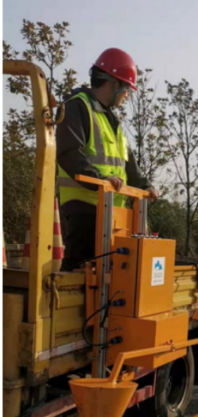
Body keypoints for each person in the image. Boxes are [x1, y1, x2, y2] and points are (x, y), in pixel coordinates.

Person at [57, 48, 158, 271]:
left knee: (106, 276)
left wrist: (144, 185)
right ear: (113, 83)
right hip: (85, 208)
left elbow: (127, 161)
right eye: (127, 88)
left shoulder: (109, 119)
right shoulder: (76, 107)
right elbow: (69, 153)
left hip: (111, 211)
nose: (127, 95)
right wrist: (100, 179)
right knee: (78, 274)